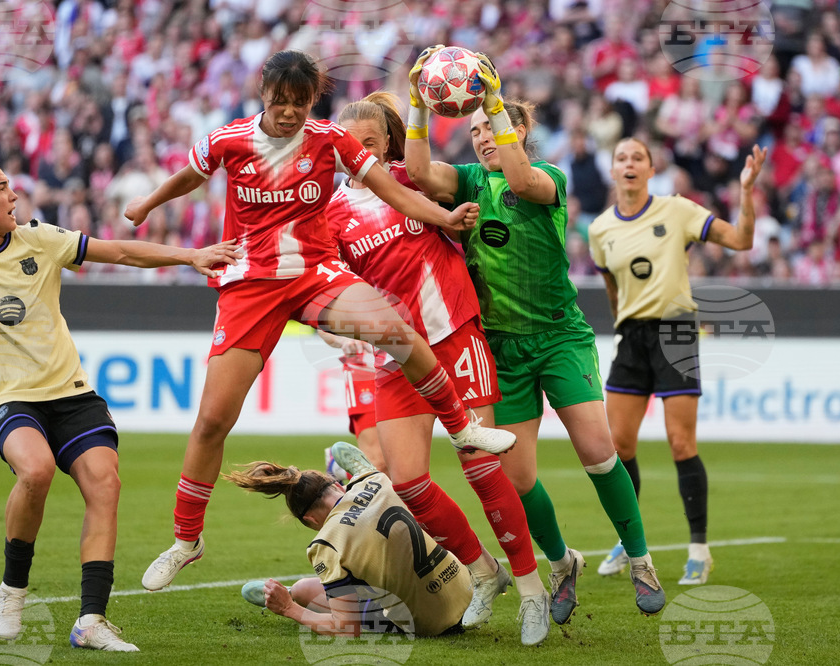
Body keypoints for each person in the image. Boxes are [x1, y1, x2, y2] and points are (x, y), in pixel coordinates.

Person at [128, 50, 517, 595]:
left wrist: (445, 216)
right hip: (249, 285)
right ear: (264, 93)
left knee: (397, 332)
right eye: (280, 102)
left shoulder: (330, 139)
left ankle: (461, 426)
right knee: (213, 420)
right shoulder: (228, 140)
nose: (290, 112)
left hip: (315, 274)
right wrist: (146, 205)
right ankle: (185, 541)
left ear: (313, 99)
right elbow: (188, 176)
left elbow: (395, 192)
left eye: (300, 102)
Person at [0, 159, 242, 652]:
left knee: (106, 484)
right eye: (2, 188)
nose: (14, 195)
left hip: (71, 393)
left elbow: (119, 251)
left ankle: (91, 621)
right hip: (8, 397)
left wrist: (191, 255)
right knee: (35, 470)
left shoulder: (39, 238)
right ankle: (13, 591)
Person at [404, 47, 666, 616]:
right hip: (502, 348)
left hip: (559, 337)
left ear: (517, 130)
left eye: (490, 127)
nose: (481, 138)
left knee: (597, 451)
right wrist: (418, 103)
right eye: (473, 130)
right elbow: (419, 173)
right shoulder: (468, 181)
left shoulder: (547, 177)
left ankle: (641, 559)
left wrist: (495, 101)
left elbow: (520, 179)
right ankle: (562, 560)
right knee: (517, 479)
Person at [324, 92, 550, 645]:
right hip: (397, 354)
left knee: (481, 466)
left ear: (386, 143)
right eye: (350, 144)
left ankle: (531, 590)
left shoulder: (413, 178)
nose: (359, 151)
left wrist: (461, 221)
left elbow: (465, 212)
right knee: (408, 480)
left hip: (453, 334)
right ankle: (484, 570)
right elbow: (330, 287)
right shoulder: (331, 215)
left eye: (370, 142)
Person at [587, 138, 767, 584]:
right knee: (618, 448)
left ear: (651, 169)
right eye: (622, 158)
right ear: (613, 170)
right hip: (631, 336)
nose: (629, 164)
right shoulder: (600, 230)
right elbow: (612, 290)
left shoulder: (677, 209)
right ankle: (630, 544)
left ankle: (699, 551)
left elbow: (741, 240)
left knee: (681, 443)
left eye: (638, 157)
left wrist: (746, 190)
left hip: (675, 331)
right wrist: (623, 327)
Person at [229, 442, 472, 637]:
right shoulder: (377, 479)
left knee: (306, 590)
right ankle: (291, 593)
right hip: (468, 592)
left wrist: (289, 610)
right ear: (337, 484)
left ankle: (289, 596)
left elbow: (346, 628)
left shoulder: (325, 543)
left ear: (311, 519)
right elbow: (343, 450)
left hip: (429, 624)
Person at [317, 331, 386, 480]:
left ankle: (339, 468)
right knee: (378, 463)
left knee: (404, 462)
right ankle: (338, 466)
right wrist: (343, 340)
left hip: (407, 368)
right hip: (365, 371)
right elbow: (321, 326)